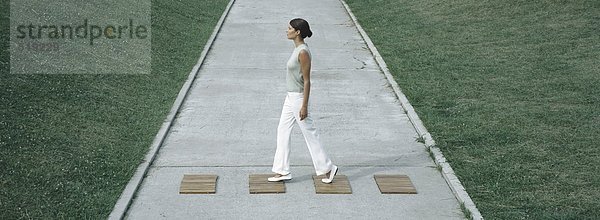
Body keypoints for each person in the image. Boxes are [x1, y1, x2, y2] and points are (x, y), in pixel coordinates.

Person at [268, 18, 338, 184]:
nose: (287, 30)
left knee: (309, 133)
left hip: (298, 98)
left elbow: (307, 81)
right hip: (290, 97)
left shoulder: (303, 52)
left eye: (290, 28)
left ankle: (328, 167)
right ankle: (281, 170)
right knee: (282, 131)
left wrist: (304, 106)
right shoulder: (297, 49)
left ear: (298, 32)